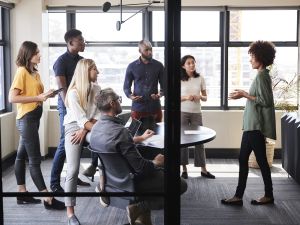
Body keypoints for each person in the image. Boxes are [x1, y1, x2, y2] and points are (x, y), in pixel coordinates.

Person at [90, 88, 188, 225]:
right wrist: (155, 162)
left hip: (112, 181)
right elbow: (141, 168)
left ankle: (142, 218)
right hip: (131, 181)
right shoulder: (120, 132)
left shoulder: (95, 130)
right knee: (180, 184)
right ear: (112, 104)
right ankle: (140, 207)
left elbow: (110, 154)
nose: (120, 102)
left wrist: (138, 139)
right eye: (119, 99)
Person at [9, 41, 65, 210]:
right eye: (37, 52)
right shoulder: (22, 72)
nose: (40, 55)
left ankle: (22, 193)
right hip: (26, 119)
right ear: (28, 55)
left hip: (33, 118)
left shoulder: (35, 73)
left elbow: (36, 94)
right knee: (34, 160)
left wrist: (47, 95)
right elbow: (12, 98)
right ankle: (47, 198)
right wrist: (39, 98)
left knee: (20, 155)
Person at [221, 40, 276, 206]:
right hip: (251, 126)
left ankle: (268, 195)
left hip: (255, 127)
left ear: (260, 57)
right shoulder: (261, 75)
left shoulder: (261, 76)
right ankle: (239, 196)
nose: (250, 59)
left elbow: (265, 101)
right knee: (243, 158)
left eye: (252, 56)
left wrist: (244, 94)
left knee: (260, 161)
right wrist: (245, 95)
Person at [50, 28, 91, 193]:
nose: (83, 43)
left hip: (80, 105)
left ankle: (72, 177)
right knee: (64, 143)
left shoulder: (82, 61)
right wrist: (73, 110)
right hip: (67, 105)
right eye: (81, 40)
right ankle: (54, 183)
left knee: (78, 142)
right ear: (71, 43)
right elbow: (63, 91)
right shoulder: (61, 62)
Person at [64, 59, 100, 225]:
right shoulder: (73, 93)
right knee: (72, 169)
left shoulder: (97, 89)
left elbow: (98, 116)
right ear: (86, 72)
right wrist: (84, 127)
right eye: (95, 70)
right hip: (73, 127)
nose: (98, 72)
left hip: (88, 126)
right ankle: (71, 213)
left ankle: (104, 184)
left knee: (101, 139)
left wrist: (85, 129)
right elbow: (79, 119)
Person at [180, 55, 215, 180]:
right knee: (183, 141)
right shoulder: (179, 80)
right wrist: (186, 97)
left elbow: (205, 98)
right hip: (182, 112)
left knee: (200, 140)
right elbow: (173, 98)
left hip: (196, 112)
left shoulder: (200, 78)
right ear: (183, 66)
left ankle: (203, 169)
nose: (191, 65)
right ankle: (184, 169)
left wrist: (200, 97)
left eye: (193, 63)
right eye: (188, 63)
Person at [123, 40, 164, 123]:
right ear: (139, 51)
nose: (150, 52)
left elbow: (165, 86)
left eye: (151, 49)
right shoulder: (131, 66)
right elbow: (126, 87)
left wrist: (159, 95)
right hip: (138, 108)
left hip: (154, 108)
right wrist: (131, 96)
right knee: (137, 134)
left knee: (157, 134)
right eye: (146, 50)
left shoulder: (159, 65)